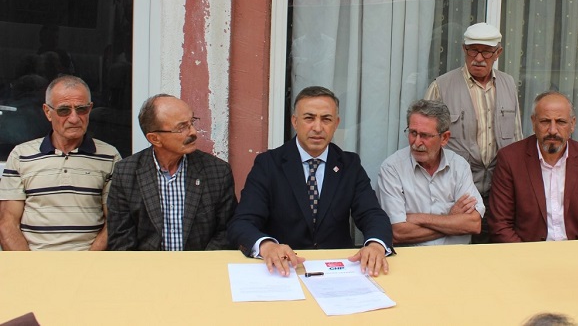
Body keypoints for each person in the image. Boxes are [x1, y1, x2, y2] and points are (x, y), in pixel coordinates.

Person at [228, 86, 392, 276]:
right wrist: (267, 245)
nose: (318, 127)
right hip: (285, 269)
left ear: (336, 123)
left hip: (336, 270)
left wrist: (376, 244)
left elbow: (372, 214)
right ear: (295, 122)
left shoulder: (349, 165)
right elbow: (242, 222)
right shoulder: (268, 164)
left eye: (326, 119)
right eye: (309, 118)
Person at [424, 22, 523, 242]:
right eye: (473, 51)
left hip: (500, 193)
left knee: (495, 251)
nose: (478, 58)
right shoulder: (441, 86)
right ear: (464, 49)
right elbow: (425, 140)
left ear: (498, 53)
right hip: (456, 196)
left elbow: (517, 139)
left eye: (486, 52)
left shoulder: (508, 84)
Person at [0, 75, 120, 250]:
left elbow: (114, 221)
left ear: (90, 109)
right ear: (48, 112)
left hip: (88, 262)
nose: (74, 118)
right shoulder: (21, 155)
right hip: (35, 261)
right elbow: (7, 223)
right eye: (64, 110)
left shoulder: (109, 156)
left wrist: (90, 263)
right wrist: (28, 265)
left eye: (82, 109)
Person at [107, 94, 237, 250]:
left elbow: (227, 231)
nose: (193, 132)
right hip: (147, 264)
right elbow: (121, 239)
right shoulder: (126, 173)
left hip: (201, 263)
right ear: (155, 138)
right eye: (182, 127)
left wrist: (199, 263)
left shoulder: (217, 171)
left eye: (192, 122)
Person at [487, 90, 578, 242]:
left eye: (561, 122)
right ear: (533, 122)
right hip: (527, 252)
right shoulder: (511, 159)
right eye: (545, 121)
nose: (552, 130)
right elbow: (500, 225)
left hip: (576, 251)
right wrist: (528, 255)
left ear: (572, 124)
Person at [377, 99, 483, 245]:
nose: (416, 142)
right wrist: (451, 219)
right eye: (413, 133)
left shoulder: (459, 166)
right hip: (414, 257)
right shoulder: (392, 169)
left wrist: (419, 218)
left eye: (425, 135)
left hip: (456, 255)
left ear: (444, 138)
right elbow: (398, 232)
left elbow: (474, 224)